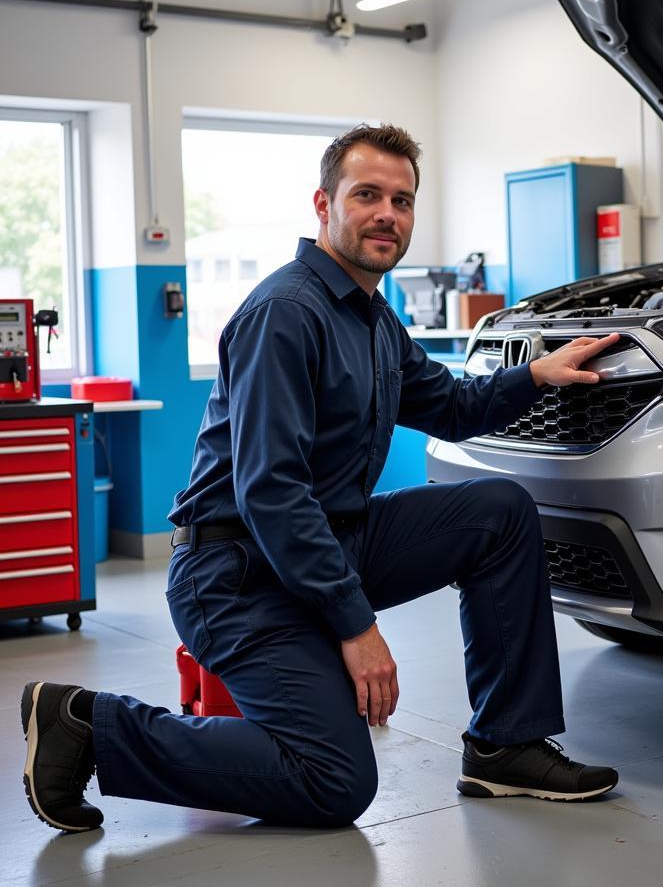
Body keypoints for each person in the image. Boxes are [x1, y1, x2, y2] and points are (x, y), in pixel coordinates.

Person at [21, 123, 621, 834]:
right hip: (235, 573)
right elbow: (270, 491)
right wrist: (355, 624)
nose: (386, 214)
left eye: (401, 200)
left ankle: (507, 744)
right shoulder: (286, 313)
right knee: (335, 778)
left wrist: (536, 377)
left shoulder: (373, 319)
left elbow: (452, 407)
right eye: (367, 194)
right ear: (324, 203)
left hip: (330, 542)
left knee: (499, 511)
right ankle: (88, 724)